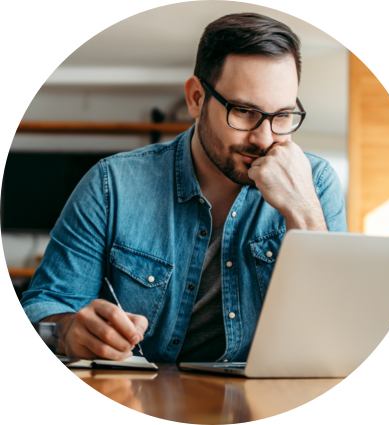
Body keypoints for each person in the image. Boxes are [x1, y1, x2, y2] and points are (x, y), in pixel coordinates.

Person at [21, 13, 347, 363]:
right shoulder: (110, 185)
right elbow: (39, 310)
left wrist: (304, 211)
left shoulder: (316, 183)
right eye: (244, 112)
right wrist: (68, 330)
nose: (265, 138)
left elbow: (338, 334)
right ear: (195, 98)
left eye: (282, 115)